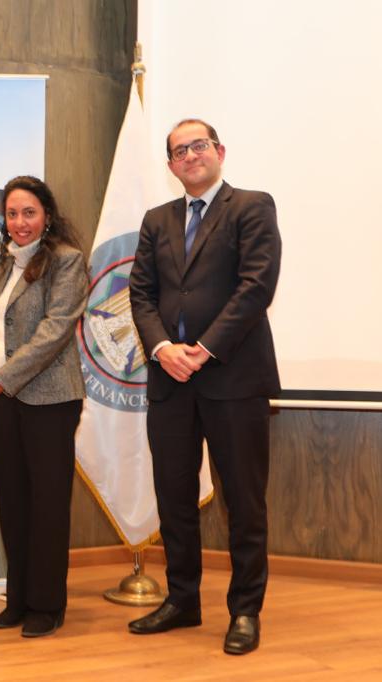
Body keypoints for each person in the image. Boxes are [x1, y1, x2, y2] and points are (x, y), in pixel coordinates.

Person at [127, 119, 282, 655]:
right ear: (170, 166)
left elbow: (256, 286)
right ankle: (182, 600)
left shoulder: (252, 206)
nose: (190, 155)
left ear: (219, 151)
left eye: (199, 145)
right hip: (170, 379)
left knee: (244, 501)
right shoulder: (157, 220)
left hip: (234, 377)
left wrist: (204, 348)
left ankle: (245, 611)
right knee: (174, 497)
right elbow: (141, 294)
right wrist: (162, 347)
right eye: (179, 151)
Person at [0, 176, 88, 638]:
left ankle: (47, 605)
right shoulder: (3, 261)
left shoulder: (67, 260)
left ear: (47, 216)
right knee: (12, 500)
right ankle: (19, 598)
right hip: (5, 399)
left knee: (47, 504)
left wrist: (1, 379)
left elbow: (54, 331)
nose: (20, 222)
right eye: (12, 214)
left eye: (29, 212)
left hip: (49, 399)